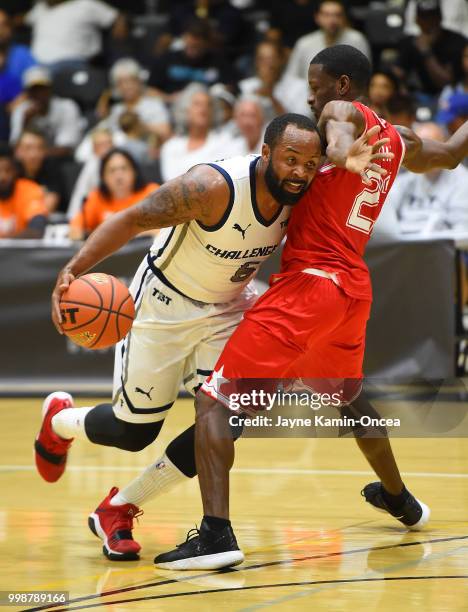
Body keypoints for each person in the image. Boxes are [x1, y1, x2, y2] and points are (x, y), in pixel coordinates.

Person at [153, 45, 468, 570]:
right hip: (350, 291)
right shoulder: (399, 138)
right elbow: (453, 152)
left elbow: (341, 134)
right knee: (345, 397)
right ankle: (399, 497)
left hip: (309, 286)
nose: (310, 94)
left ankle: (215, 535)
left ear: (342, 85)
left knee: (213, 400)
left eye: (316, 84)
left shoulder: (337, 115)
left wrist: (341, 153)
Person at [34, 114, 361, 561]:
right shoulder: (211, 186)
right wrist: (72, 270)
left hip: (227, 308)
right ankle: (59, 420)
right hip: (164, 305)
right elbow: (130, 219)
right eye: (290, 160)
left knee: (228, 418)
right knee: (133, 433)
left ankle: (119, 508)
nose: (300, 172)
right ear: (265, 153)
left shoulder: (304, 193)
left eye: (310, 162)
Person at [384, 122, 468, 235]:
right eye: (419, 150)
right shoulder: (407, 178)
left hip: (442, 247)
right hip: (403, 245)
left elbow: (462, 232)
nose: (430, 153)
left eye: (434, 145)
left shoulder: (462, 179)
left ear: (444, 145)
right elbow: (384, 219)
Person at [69, 148, 159, 240]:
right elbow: (75, 231)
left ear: (134, 172)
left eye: (124, 168)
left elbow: (165, 230)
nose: (118, 176)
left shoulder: (151, 193)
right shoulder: (97, 197)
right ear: (103, 177)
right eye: (112, 171)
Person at [148, 18, 238, 102]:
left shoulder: (219, 61)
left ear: (206, 43)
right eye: (189, 45)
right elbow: (150, 90)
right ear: (184, 38)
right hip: (172, 106)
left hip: (207, 107)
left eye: (197, 46)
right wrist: (169, 98)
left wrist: (215, 93)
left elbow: (232, 87)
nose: (192, 50)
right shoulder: (167, 59)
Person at [23, 0, 126, 71]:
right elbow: (21, 21)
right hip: (37, 67)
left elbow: (117, 17)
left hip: (73, 63)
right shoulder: (40, 8)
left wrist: (118, 39)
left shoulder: (85, 4)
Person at [394, 0, 467, 98]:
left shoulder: (457, 42)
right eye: (424, 18)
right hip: (417, 97)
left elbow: (446, 82)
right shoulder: (409, 43)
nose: (429, 23)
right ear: (417, 20)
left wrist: (426, 52)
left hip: (451, 96)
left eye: (433, 17)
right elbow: (398, 74)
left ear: (440, 18)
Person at [285, 0, 371, 81]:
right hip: (309, 94)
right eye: (327, 15)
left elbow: (364, 76)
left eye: (337, 15)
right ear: (317, 18)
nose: (332, 20)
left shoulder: (357, 40)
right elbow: (292, 77)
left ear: (344, 18)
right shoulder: (304, 43)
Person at [9, 66, 84, 158]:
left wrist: (35, 154)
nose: (38, 94)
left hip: (63, 162)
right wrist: (25, 122)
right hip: (31, 161)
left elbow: (66, 148)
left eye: (42, 88)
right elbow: (15, 148)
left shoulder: (67, 107)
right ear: (27, 93)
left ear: (50, 88)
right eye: (34, 90)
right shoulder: (21, 111)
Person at [159, 84, 228, 182]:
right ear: (185, 109)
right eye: (197, 104)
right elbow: (170, 180)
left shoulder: (225, 142)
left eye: (208, 104)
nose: (203, 109)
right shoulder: (170, 146)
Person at [99, 58, 171, 145]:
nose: (127, 86)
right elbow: (103, 132)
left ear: (139, 82)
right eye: (121, 82)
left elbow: (167, 132)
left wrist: (140, 126)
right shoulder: (116, 110)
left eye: (131, 80)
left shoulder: (153, 105)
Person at [239, 40, 310, 116]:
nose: (267, 64)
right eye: (261, 59)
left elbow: (301, 124)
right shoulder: (246, 86)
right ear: (256, 62)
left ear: (281, 60)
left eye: (271, 59)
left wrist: (271, 97)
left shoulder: (300, 86)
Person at [0, 144, 48, 238]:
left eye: (7, 170)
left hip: (22, 252)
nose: (2, 177)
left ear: (15, 171)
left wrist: (4, 241)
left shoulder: (30, 190)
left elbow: (37, 231)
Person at [14, 128, 65, 214]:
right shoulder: (10, 171)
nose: (34, 154)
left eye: (39, 148)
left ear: (45, 151)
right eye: (28, 148)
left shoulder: (51, 167)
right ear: (17, 151)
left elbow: (50, 205)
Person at [0, 9, 36, 82]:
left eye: (4, 25)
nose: (0, 30)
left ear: (11, 29)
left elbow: (37, 80)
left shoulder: (22, 53)